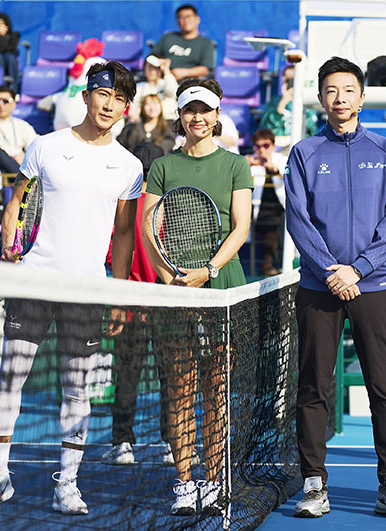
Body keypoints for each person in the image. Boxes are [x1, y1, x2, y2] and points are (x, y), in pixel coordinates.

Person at [0, 61, 142, 516]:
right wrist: (9, 242)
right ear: (86, 96)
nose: (110, 104)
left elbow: (124, 234)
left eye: (120, 99)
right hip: (35, 281)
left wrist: (119, 293)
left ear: (126, 108)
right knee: (11, 374)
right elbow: (18, 200)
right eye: (103, 93)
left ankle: (67, 483)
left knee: (77, 388)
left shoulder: (129, 166)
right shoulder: (45, 146)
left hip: (87, 291)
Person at [286, 56, 386, 519]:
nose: (339, 98)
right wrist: (330, 270)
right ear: (321, 98)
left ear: (362, 97)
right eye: (331, 90)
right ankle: (313, 484)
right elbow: (298, 219)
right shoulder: (304, 152)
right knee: (313, 386)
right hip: (318, 288)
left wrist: (357, 270)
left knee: (384, 387)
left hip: (373, 287)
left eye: (348, 90)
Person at [141, 79, 252, 516]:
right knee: (181, 388)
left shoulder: (236, 165)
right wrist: (170, 275)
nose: (198, 118)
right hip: (175, 287)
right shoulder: (162, 166)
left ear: (217, 115)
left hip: (222, 286)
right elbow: (150, 228)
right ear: (180, 116)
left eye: (205, 110)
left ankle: (215, 479)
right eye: (190, 110)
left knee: (217, 389)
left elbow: (240, 228)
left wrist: (208, 271)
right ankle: (185, 482)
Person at [100, 142, 177, 467]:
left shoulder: (124, 207)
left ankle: (123, 444)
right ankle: (172, 445)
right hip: (164, 304)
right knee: (170, 377)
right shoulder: (168, 207)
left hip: (129, 305)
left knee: (126, 376)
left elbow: (111, 255)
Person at [247, 128, 286, 276]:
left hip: (279, 208)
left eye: (266, 145)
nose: (261, 150)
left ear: (273, 146)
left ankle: (270, 264)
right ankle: (267, 265)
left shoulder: (282, 160)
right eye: (257, 146)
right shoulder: (248, 161)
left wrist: (274, 169)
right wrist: (246, 166)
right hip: (258, 209)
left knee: (277, 224)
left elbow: (291, 176)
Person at [258, 65, 320, 146]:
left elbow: (311, 130)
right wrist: (282, 104)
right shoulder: (274, 102)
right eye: (288, 80)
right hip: (278, 144)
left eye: (294, 79)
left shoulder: (306, 103)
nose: (291, 83)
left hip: (301, 143)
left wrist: (305, 107)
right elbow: (267, 130)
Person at [152, 4, 215, 81]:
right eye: (181, 17)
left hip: (191, 82)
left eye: (188, 16)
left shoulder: (205, 43)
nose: (185, 20)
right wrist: (160, 64)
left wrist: (184, 72)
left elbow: (204, 69)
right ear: (178, 22)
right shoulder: (167, 38)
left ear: (197, 19)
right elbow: (152, 57)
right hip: (163, 79)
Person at [128, 55, 179, 123]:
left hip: (168, 121)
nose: (152, 70)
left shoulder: (166, 83)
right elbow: (133, 110)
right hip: (146, 123)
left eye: (155, 67)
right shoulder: (139, 87)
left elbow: (174, 92)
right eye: (149, 67)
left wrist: (166, 69)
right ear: (144, 69)